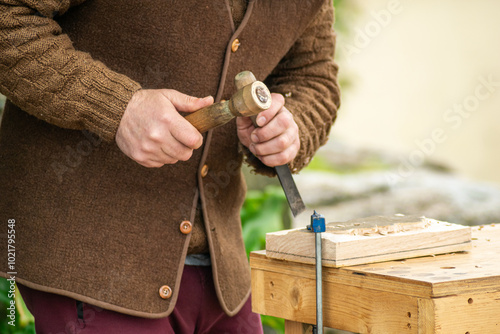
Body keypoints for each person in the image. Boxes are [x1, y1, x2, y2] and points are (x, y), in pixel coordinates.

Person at [0, 0, 340, 333]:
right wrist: (118, 107)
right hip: (89, 265)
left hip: (223, 280)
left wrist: (294, 127)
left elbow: (313, 75)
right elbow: (8, 18)